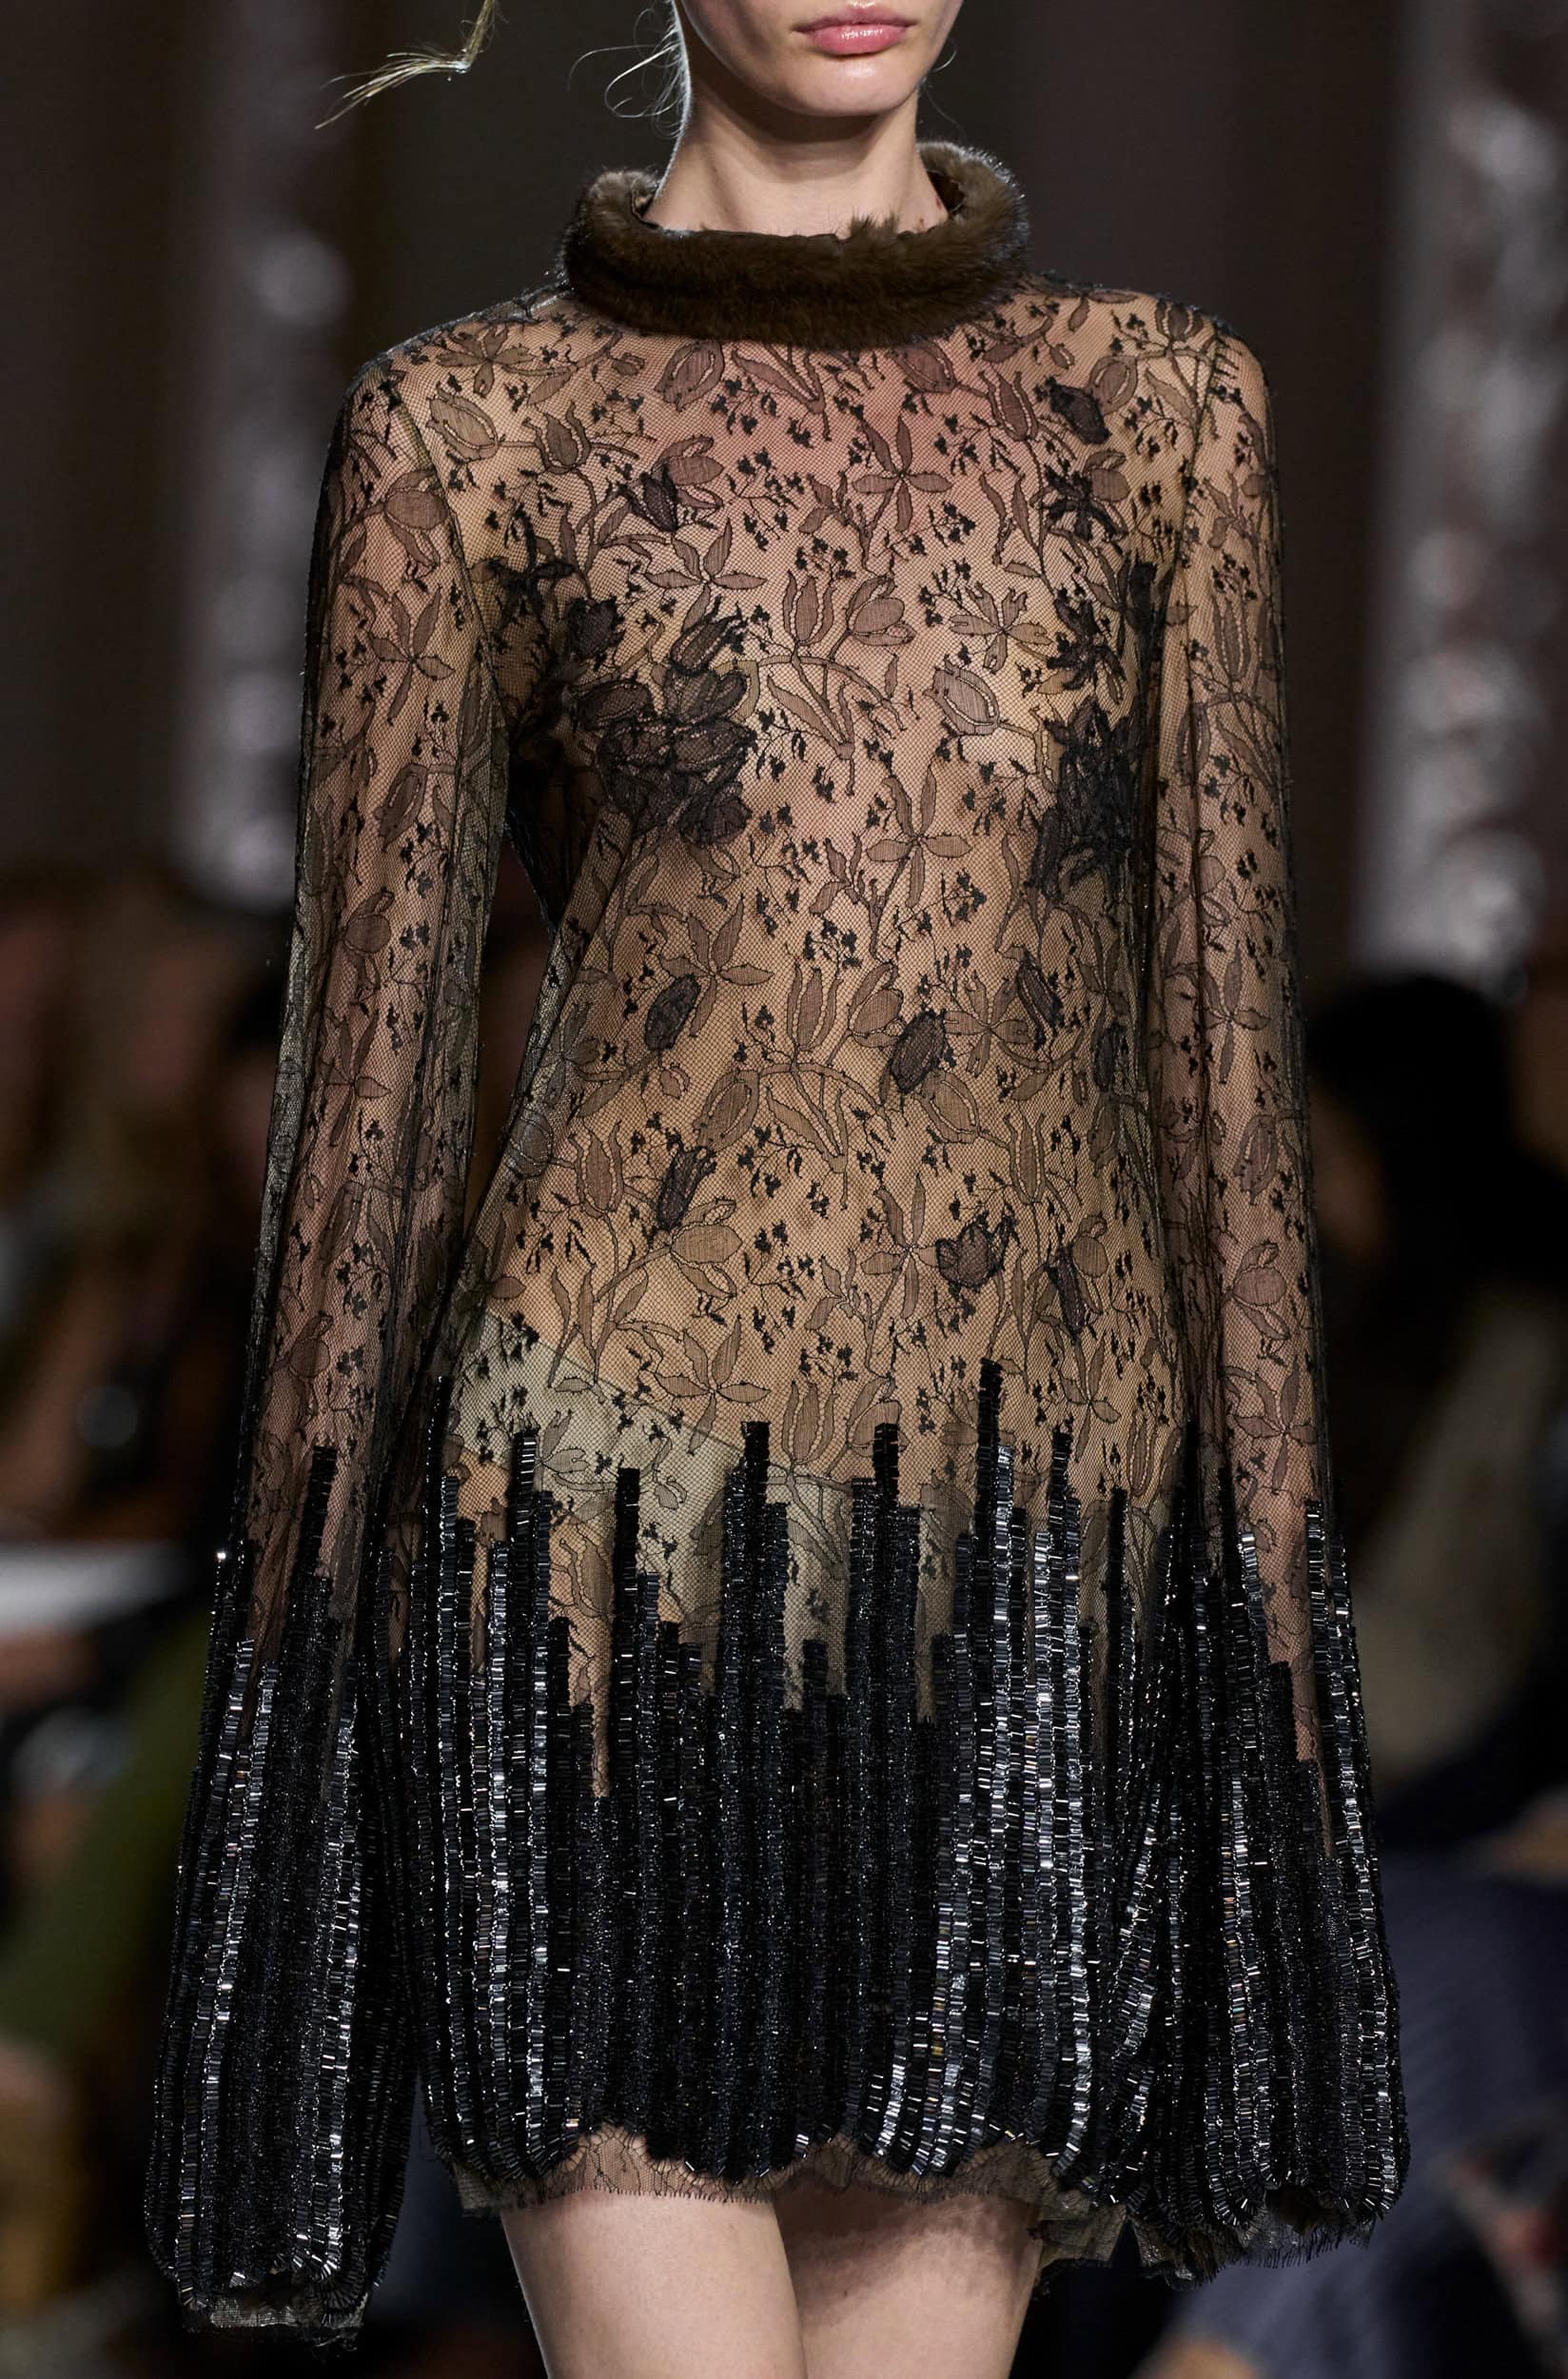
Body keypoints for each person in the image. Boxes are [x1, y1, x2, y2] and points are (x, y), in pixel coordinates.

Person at [144, 5, 1410, 2375]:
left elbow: (1225, 1085)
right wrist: (289, 1769)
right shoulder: (473, 426)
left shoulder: (1161, 413)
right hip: (598, 1542)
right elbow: (366, 1120)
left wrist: (1260, 1687)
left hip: (1028, 1575)